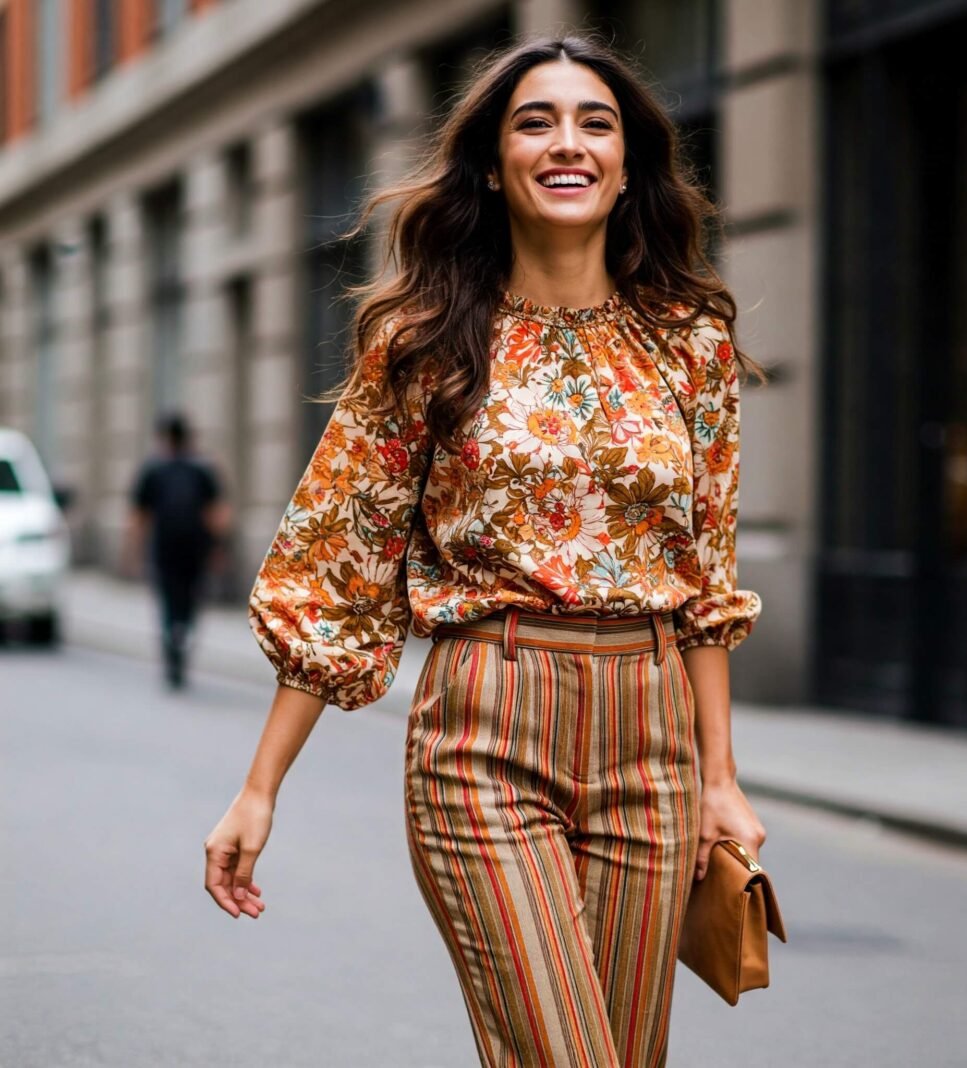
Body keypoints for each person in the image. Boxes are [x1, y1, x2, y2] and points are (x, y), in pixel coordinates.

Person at [203, 32, 770, 1067]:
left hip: (654, 740)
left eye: (595, 122)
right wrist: (259, 788)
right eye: (535, 121)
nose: (568, 142)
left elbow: (706, 577)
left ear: (628, 160)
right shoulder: (424, 337)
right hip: (487, 730)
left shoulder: (689, 341)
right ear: (495, 163)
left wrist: (721, 778)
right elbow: (343, 562)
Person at [125, 412, 229, 689]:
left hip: (165, 549)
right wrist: (219, 549)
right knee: (190, 601)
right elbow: (216, 514)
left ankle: (174, 642)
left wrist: (133, 552)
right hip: (195, 550)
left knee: (169, 602)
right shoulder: (202, 470)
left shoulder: (154, 470)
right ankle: (183, 636)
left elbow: (139, 516)